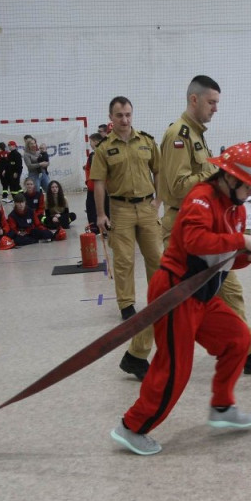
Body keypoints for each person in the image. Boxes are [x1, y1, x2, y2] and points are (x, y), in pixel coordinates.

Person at [110, 142, 251, 456]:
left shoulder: (237, 208)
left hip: (203, 295)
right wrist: (243, 240)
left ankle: (221, 406)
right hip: (176, 292)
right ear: (231, 179)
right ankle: (132, 427)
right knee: (175, 368)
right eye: (248, 187)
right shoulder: (200, 198)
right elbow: (195, 241)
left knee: (238, 339)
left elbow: (227, 257)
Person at [158, 75, 251, 375]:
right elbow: (178, 186)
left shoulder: (196, 134)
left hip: (208, 222)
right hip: (186, 227)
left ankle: (248, 351)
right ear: (194, 99)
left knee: (229, 291)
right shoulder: (179, 136)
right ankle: (137, 353)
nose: (215, 108)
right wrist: (222, 175)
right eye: (211, 102)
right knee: (171, 301)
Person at [92, 95, 163, 329]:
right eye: (120, 115)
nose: (125, 119)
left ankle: (158, 300)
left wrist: (158, 201)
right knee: (124, 260)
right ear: (111, 117)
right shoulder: (104, 148)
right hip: (120, 209)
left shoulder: (147, 141)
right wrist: (101, 215)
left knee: (155, 256)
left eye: (128, 114)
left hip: (147, 207)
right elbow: (99, 182)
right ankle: (126, 304)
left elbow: (159, 171)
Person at [83, 133, 105, 232]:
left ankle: (103, 228)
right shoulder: (92, 155)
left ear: (96, 142)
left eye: (91, 142)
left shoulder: (101, 154)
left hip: (101, 187)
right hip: (92, 187)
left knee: (102, 207)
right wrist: (87, 182)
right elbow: (88, 168)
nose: (90, 144)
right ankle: (94, 228)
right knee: (90, 207)